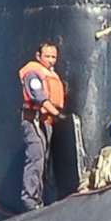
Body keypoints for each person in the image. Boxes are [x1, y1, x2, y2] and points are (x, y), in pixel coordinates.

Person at [14, 41, 68, 209]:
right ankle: (30, 200)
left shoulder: (50, 74)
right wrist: (57, 113)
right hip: (34, 121)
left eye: (54, 57)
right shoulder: (33, 73)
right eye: (47, 56)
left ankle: (39, 199)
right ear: (38, 56)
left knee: (42, 160)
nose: (51, 60)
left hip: (45, 123)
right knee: (36, 157)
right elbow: (39, 97)